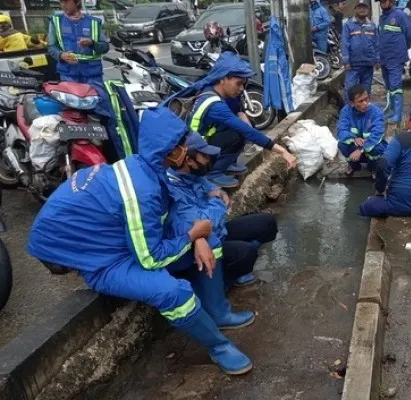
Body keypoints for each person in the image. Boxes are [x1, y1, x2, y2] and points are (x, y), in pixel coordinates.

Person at [26, 107, 255, 375]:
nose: (187, 148)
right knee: (172, 292)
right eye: (182, 144)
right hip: (102, 258)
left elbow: (165, 220)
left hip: (115, 238)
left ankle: (218, 313)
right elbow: (150, 257)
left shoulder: (146, 168)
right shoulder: (141, 190)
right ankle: (218, 346)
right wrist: (192, 235)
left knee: (210, 239)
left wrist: (199, 236)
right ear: (170, 149)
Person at [165, 132, 279, 289]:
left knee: (267, 223)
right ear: (189, 159)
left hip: (219, 231)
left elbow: (213, 189)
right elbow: (204, 224)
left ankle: (235, 264)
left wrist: (219, 194)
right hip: (199, 246)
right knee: (246, 253)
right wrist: (217, 201)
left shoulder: (193, 175)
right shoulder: (172, 188)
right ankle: (221, 281)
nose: (207, 160)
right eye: (203, 156)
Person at [185, 52, 296, 188]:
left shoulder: (210, 89)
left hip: (200, 140)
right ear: (223, 79)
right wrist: (282, 151)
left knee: (242, 128)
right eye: (238, 84)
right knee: (237, 134)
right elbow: (245, 130)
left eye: (243, 84)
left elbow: (240, 115)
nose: (241, 89)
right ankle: (213, 172)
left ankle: (225, 163)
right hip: (196, 151)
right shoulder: (214, 105)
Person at [359, 103, 411, 218]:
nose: (405, 119)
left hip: (400, 205)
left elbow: (383, 164)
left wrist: (379, 189)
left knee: (367, 206)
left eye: (407, 116)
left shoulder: (401, 139)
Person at [47, 0, 109, 86]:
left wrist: (92, 43)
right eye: (61, 2)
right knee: (70, 99)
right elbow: (51, 47)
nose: (63, 5)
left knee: (97, 99)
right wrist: (61, 55)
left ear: (77, 2)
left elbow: (105, 47)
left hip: (92, 75)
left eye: (66, 2)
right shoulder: (56, 21)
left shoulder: (94, 22)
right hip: (68, 75)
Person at [337, 84, 387, 176]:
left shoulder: (376, 112)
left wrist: (361, 149)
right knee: (342, 144)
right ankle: (354, 166)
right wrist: (353, 139)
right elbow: (341, 130)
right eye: (360, 101)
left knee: (377, 148)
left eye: (366, 99)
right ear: (352, 103)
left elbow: (378, 134)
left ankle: (373, 168)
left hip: (369, 146)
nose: (365, 103)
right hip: (356, 145)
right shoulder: (346, 111)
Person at [378, 0, 411, 125]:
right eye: (381, 1)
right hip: (384, 58)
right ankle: (392, 110)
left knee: (395, 86)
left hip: (395, 57)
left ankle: (398, 114)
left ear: (391, 2)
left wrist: (402, 48)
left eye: (385, 1)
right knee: (389, 86)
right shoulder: (382, 18)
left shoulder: (400, 15)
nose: (382, 3)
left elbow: (409, 36)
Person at [342, 0, 379, 94]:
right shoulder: (348, 25)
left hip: (368, 64)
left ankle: (364, 108)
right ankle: (350, 108)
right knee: (350, 89)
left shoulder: (372, 25)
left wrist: (377, 60)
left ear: (368, 9)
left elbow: (376, 44)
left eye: (365, 7)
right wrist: (346, 62)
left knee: (366, 90)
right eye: (360, 7)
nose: (362, 10)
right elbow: (344, 44)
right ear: (355, 9)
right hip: (353, 65)